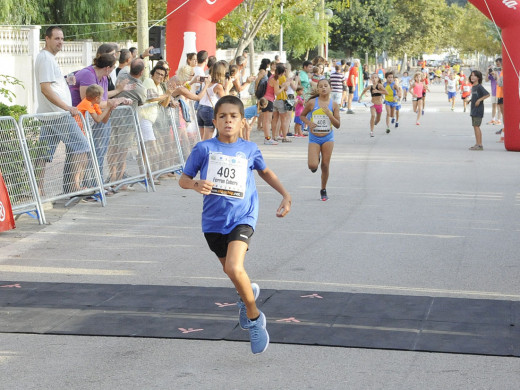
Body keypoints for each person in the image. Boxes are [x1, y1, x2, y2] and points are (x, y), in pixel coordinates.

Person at [178, 95, 291, 354]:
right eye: (222, 116)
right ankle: (246, 293)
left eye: (233, 116)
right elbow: (183, 179)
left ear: (242, 121)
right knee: (232, 272)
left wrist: (285, 194)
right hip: (213, 221)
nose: (228, 120)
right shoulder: (203, 149)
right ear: (215, 120)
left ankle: (254, 318)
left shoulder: (249, 149)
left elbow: (265, 172)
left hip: (243, 216)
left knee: (233, 265)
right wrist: (195, 184)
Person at [34, 26, 90, 195]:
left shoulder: (48, 58)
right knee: (82, 147)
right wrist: (67, 108)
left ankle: (38, 189)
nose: (60, 42)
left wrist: (65, 81)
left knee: (44, 153)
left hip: (51, 115)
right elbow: (45, 88)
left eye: (62, 38)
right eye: (57, 38)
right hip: (58, 115)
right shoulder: (45, 59)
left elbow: (51, 85)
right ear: (47, 39)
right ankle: (75, 186)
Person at [299, 79, 340, 201]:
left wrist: (330, 114)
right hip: (314, 138)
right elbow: (302, 115)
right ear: (318, 89)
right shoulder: (312, 103)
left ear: (330, 88)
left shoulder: (334, 105)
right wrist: (308, 123)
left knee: (325, 165)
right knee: (312, 166)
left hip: (328, 138)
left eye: (325, 86)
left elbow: (337, 125)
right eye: (320, 86)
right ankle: (316, 158)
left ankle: (323, 189)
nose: (323, 88)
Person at [197, 61, 230, 140]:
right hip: (209, 110)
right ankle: (205, 152)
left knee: (202, 138)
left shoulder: (206, 81)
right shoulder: (218, 86)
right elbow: (225, 100)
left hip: (200, 108)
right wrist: (228, 86)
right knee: (207, 138)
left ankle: (201, 151)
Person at [359, 73, 387, 137]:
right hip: (372, 104)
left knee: (378, 119)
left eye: (375, 78)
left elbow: (386, 92)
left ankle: (375, 123)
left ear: (378, 79)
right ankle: (371, 131)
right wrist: (360, 97)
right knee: (373, 115)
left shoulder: (379, 86)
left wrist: (378, 91)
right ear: (371, 79)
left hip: (379, 105)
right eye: (373, 78)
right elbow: (364, 90)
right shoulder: (370, 87)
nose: (374, 79)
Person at [468, 70, 490, 150]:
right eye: (471, 75)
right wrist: (471, 100)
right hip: (473, 109)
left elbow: (487, 94)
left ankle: (479, 144)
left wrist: (479, 100)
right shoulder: (474, 86)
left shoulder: (479, 86)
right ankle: (477, 143)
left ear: (478, 77)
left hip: (478, 110)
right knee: (475, 126)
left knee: (476, 126)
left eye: (474, 76)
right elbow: (475, 96)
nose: (472, 77)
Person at [270, 63, 292, 143]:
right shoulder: (282, 77)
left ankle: (274, 136)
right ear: (282, 72)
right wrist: (287, 83)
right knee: (284, 119)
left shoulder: (272, 77)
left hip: (274, 100)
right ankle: (285, 137)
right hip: (281, 99)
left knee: (274, 119)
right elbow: (285, 89)